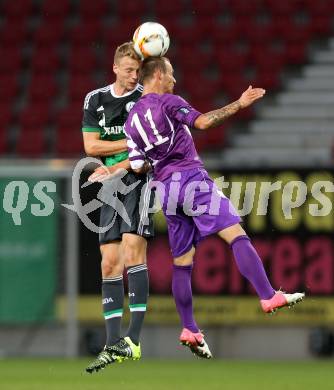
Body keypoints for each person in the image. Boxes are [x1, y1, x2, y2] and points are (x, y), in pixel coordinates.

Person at [122, 56, 305, 359]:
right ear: (156, 75)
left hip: (166, 190)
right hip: (191, 179)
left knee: (182, 262)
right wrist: (239, 104)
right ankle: (269, 295)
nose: (174, 80)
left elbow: (139, 166)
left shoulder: (131, 122)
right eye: (171, 73)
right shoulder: (167, 101)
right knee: (236, 235)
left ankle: (189, 328)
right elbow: (204, 122)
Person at [82, 42, 154, 374]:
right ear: (115, 68)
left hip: (138, 181)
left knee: (132, 251)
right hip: (110, 186)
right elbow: (90, 145)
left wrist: (119, 164)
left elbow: (148, 151)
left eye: (137, 71)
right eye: (128, 70)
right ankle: (112, 345)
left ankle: (133, 340)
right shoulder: (95, 99)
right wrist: (128, 142)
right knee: (109, 262)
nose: (133, 76)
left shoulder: (146, 101)